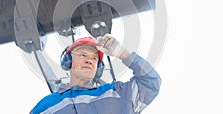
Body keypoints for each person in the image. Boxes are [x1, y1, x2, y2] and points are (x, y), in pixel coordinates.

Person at [30, 34, 161, 114]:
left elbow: (151, 81)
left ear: (98, 67)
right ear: (68, 60)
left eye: (94, 58)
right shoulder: (45, 106)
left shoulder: (119, 93)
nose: (89, 60)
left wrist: (121, 52)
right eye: (82, 54)